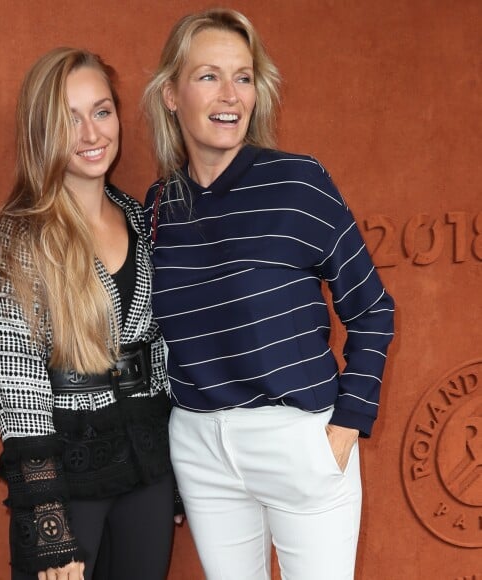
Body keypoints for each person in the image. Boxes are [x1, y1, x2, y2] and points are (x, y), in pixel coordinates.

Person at [142, 8, 395, 580]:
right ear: (171, 95)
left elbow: (373, 307)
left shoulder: (299, 184)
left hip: (298, 441)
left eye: (244, 76)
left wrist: (344, 427)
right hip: (201, 448)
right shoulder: (160, 206)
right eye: (208, 75)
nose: (229, 93)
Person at [0, 47, 174, 580]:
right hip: (67, 481)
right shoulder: (21, 237)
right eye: (70, 118)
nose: (91, 133)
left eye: (101, 111)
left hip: (147, 474)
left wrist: (170, 471)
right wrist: (47, 521)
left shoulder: (139, 215)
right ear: (42, 130)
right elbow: (15, 381)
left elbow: (160, 350)